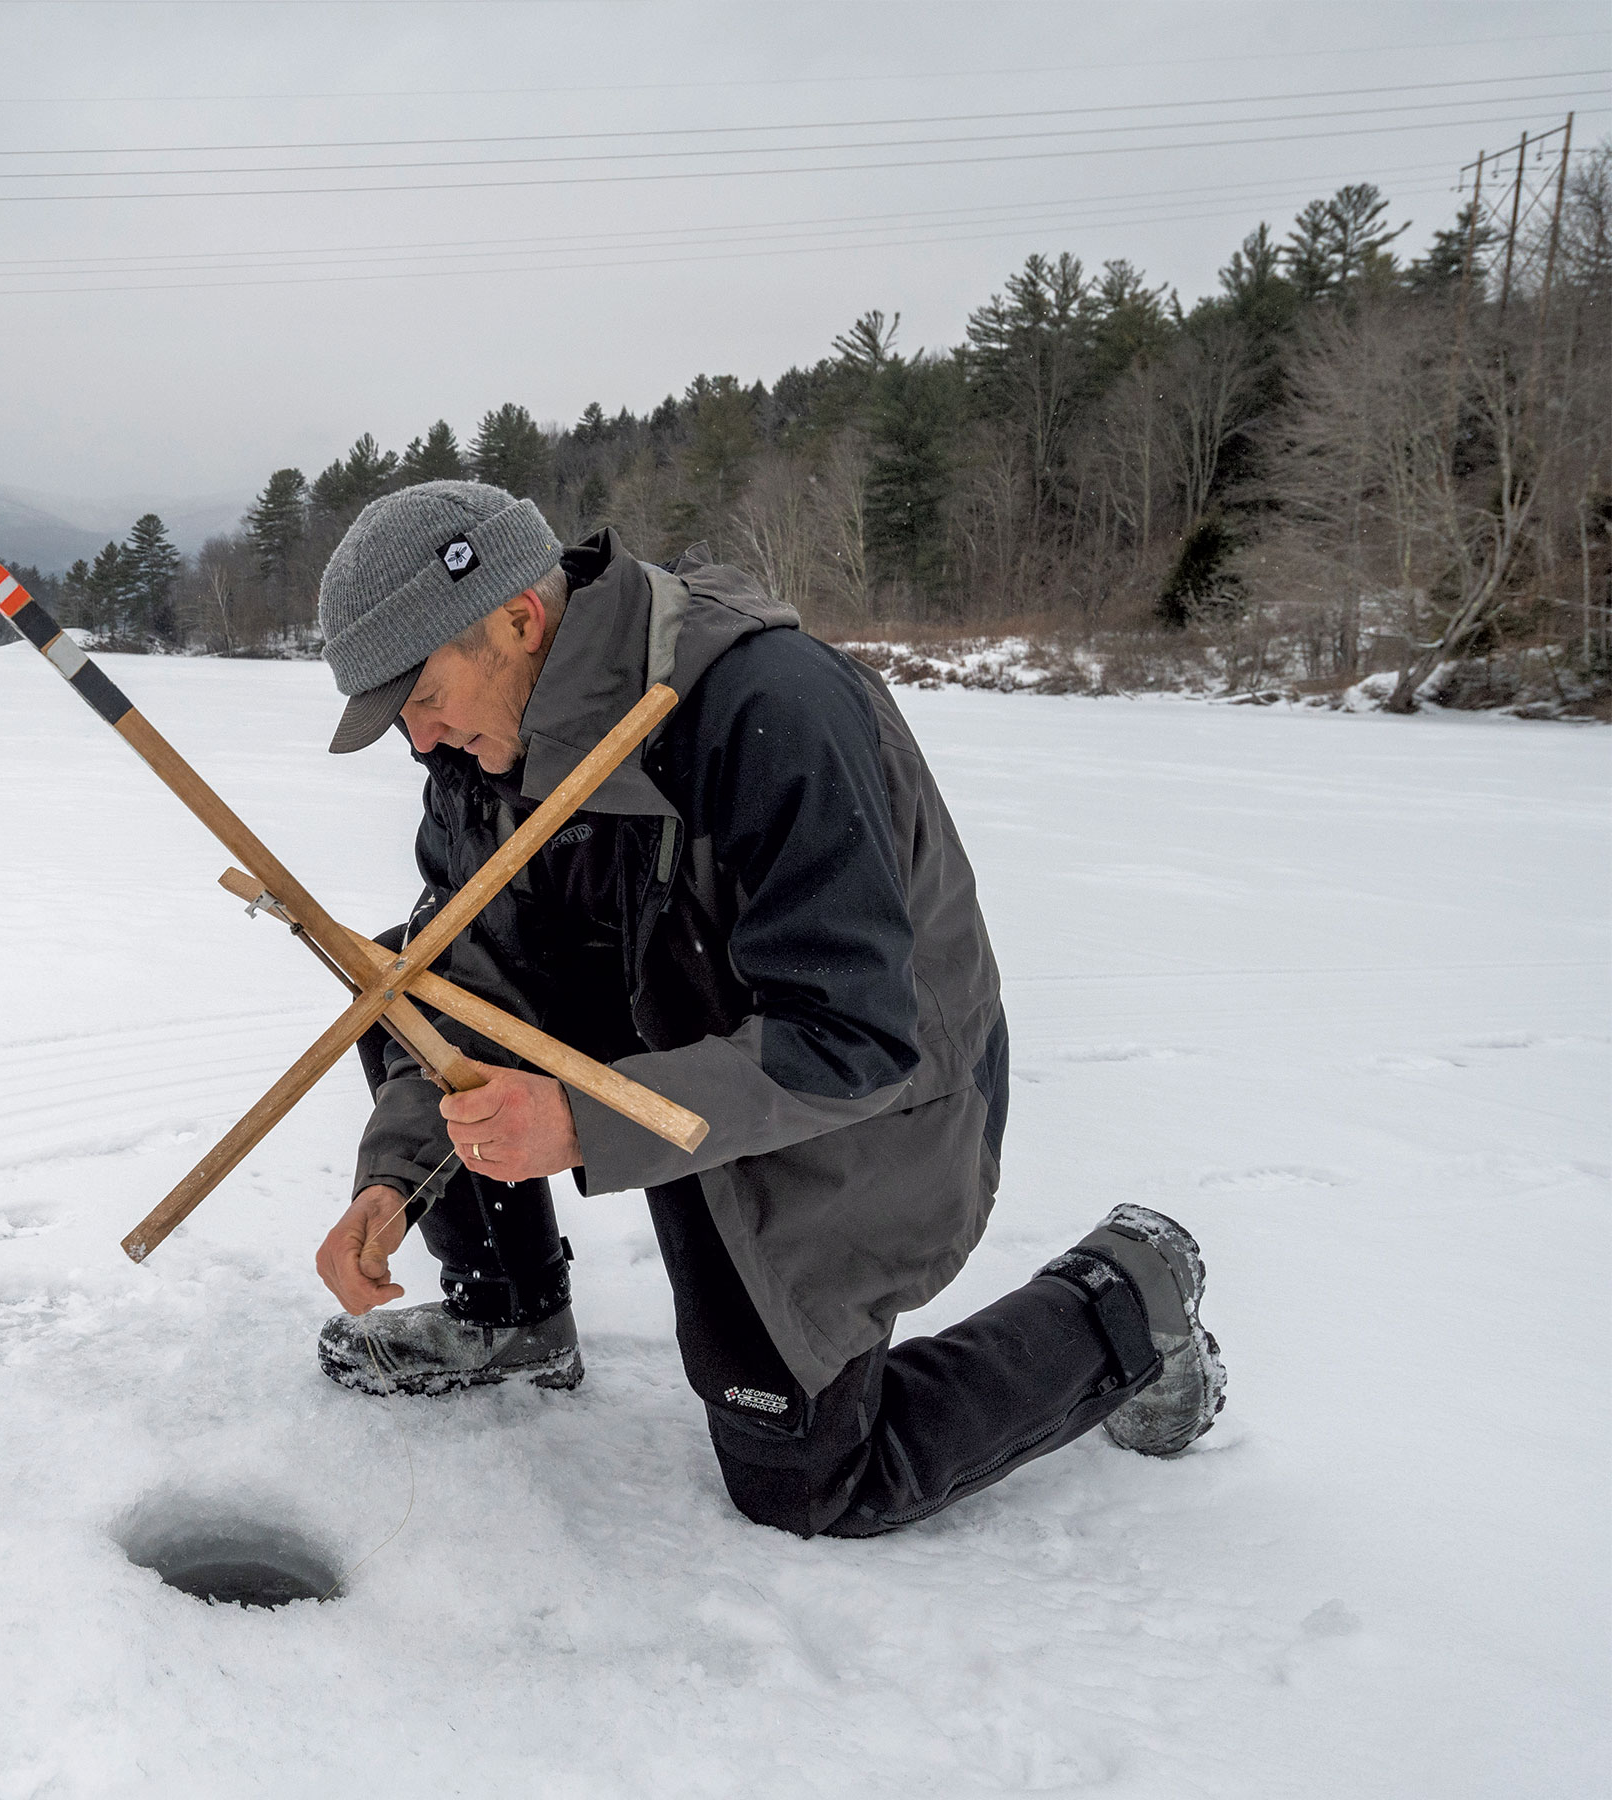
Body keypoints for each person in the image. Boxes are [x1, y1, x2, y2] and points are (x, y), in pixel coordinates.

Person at [309, 479, 1224, 1538]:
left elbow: (856, 1037)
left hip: (852, 1104)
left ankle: (1127, 1298)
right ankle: (512, 1314)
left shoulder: (770, 708)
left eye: (420, 699)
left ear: (518, 621)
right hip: (673, 1053)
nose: (419, 742)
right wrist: (400, 1176)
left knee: (812, 1483)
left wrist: (577, 1120)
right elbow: (470, 979)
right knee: (405, 991)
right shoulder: (484, 753)